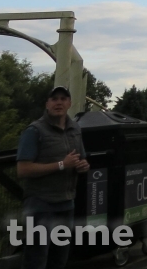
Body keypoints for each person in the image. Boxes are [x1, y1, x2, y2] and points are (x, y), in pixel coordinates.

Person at [16, 85, 90, 269]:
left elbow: (81, 159)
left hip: (67, 203)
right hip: (40, 204)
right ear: (47, 104)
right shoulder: (34, 131)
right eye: (54, 99)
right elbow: (23, 170)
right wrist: (61, 165)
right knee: (36, 260)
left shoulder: (75, 129)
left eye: (63, 99)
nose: (59, 103)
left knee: (59, 259)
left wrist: (83, 166)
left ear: (69, 103)